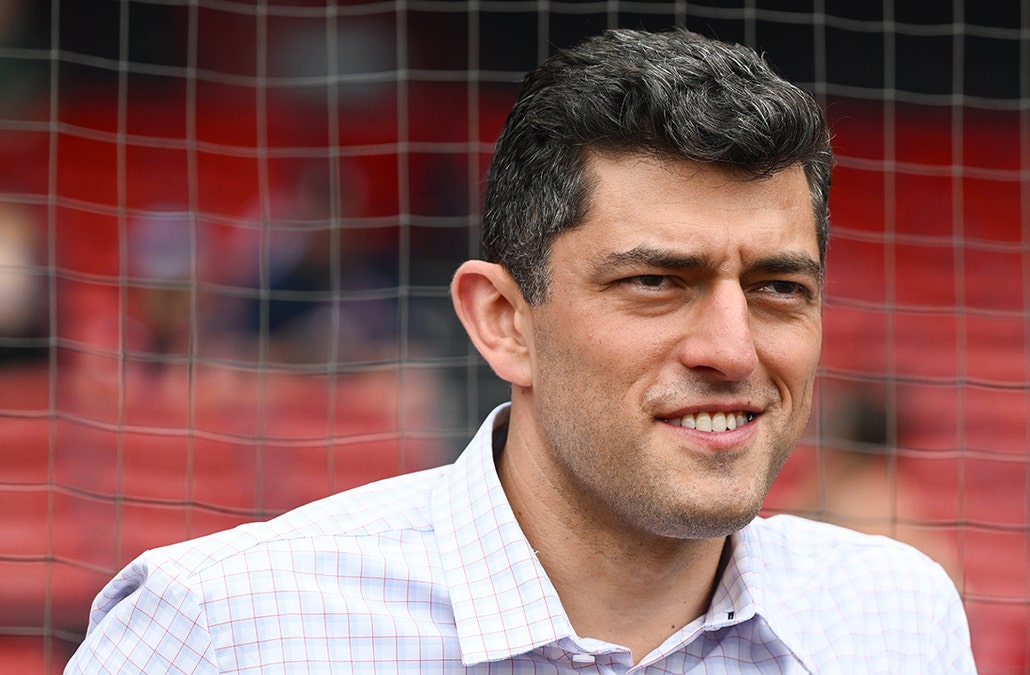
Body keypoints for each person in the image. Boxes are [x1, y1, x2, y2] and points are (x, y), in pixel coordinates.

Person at [66, 28, 976, 673]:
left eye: (780, 287)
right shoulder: (224, 634)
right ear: (503, 320)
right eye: (656, 282)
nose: (732, 348)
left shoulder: (894, 615)